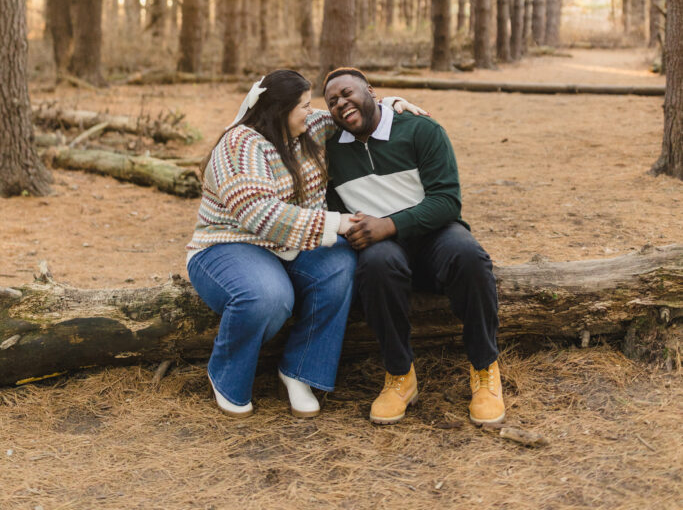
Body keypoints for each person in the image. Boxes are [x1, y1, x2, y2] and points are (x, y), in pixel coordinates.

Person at [186, 69, 420, 419]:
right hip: (229, 245)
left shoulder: (308, 128)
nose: (311, 112)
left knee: (341, 264)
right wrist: (337, 222)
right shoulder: (240, 144)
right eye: (303, 106)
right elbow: (260, 216)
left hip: (291, 246)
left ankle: (298, 371)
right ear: (279, 110)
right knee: (270, 296)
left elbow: (348, 113)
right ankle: (227, 375)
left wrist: (389, 104)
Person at [322, 67, 504, 427]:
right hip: (380, 248)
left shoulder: (421, 129)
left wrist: (388, 225)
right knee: (374, 266)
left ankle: (485, 370)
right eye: (332, 102)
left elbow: (447, 201)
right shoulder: (329, 148)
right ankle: (400, 375)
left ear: (371, 91)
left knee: (470, 256)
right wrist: (355, 230)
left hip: (434, 234)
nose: (342, 103)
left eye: (347, 93)